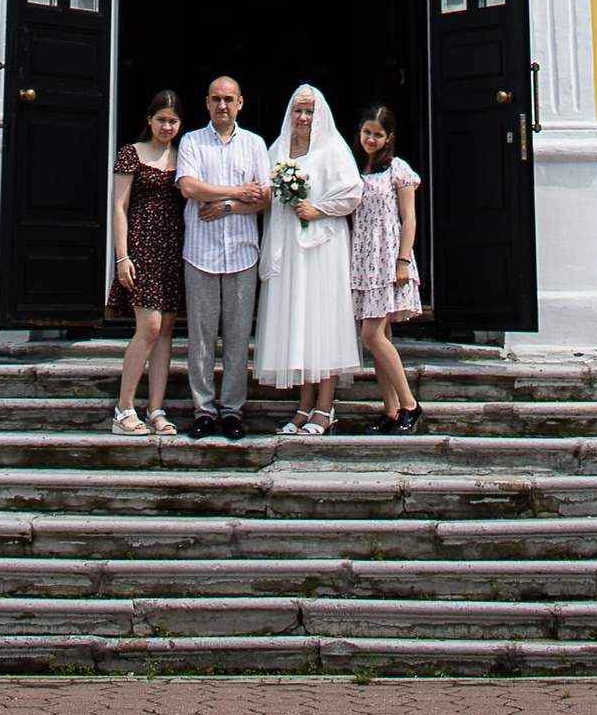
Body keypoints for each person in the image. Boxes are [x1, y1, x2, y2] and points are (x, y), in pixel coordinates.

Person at [251, 80, 364, 435]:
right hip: (289, 248)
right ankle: (303, 406)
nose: (303, 117)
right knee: (299, 323)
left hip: (322, 250)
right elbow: (264, 191)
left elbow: (351, 193)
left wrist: (318, 209)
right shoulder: (279, 148)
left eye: (309, 112)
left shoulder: (333, 148)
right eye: (298, 111)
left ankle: (325, 409)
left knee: (323, 324)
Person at [174, 72, 269, 440]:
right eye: (216, 99)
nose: (223, 105)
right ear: (207, 103)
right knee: (200, 335)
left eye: (229, 99)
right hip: (201, 252)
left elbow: (263, 198)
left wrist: (227, 206)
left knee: (237, 335)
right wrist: (235, 192)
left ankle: (231, 411)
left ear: (240, 103)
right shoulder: (193, 142)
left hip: (243, 252)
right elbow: (188, 187)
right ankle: (203, 410)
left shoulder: (255, 144)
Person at [106, 88, 187, 437]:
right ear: (149, 120)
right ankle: (124, 408)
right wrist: (121, 256)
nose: (166, 126)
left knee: (166, 329)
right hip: (141, 246)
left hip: (173, 248)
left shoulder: (184, 156)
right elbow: (119, 208)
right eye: (161, 120)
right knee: (150, 327)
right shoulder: (131, 154)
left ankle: (156, 408)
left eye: (172, 121)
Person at [349, 102, 425, 430]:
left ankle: (410, 405)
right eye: (366, 132)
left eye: (377, 134)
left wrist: (403, 261)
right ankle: (391, 410)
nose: (370, 139)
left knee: (371, 334)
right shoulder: (355, 169)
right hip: (363, 258)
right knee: (382, 337)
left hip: (388, 257)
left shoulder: (398, 169)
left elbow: (409, 219)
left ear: (388, 137)